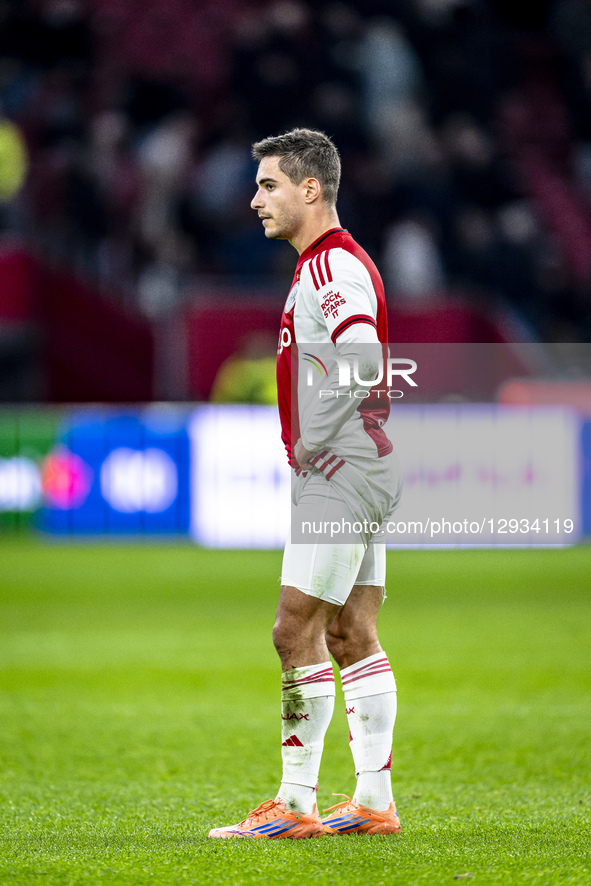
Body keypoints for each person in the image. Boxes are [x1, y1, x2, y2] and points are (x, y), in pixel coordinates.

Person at [208, 128, 402, 840]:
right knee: (352, 634)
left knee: (295, 633)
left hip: (342, 471)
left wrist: (316, 440)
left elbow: (363, 355)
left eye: (268, 185)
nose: (254, 199)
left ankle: (294, 806)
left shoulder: (330, 269)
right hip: (366, 466)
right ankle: (374, 804)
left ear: (309, 188)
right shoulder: (323, 267)